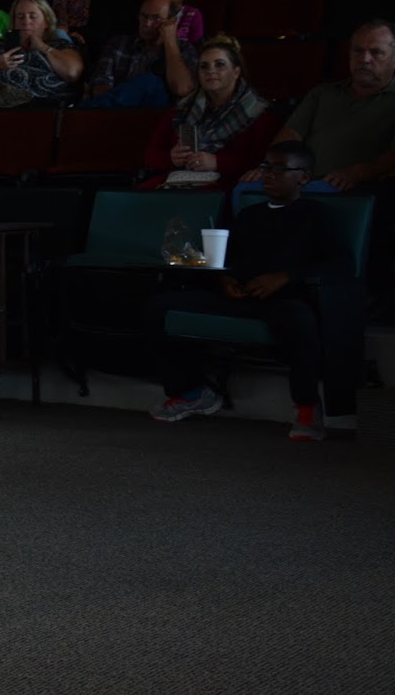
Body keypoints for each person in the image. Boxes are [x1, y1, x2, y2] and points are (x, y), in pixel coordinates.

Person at [144, 141, 351, 441]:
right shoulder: (249, 215)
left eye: (279, 169)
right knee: (159, 306)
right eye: (266, 167)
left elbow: (342, 263)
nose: (268, 175)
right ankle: (190, 392)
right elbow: (229, 260)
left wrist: (285, 277)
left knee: (299, 317)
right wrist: (225, 281)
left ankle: (306, 405)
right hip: (241, 296)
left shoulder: (318, 215)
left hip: (285, 299)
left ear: (303, 177)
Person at [233, 22, 395, 201]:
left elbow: (391, 158)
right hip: (301, 179)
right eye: (358, 51)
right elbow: (291, 136)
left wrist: (356, 173)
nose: (365, 59)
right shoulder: (323, 94)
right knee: (246, 188)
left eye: (376, 52)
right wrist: (271, 168)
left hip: (352, 185)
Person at [141, 36, 281, 189]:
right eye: (204, 66)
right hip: (178, 179)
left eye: (219, 65)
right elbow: (150, 156)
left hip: (227, 183)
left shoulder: (258, 112)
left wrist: (218, 162)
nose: (211, 71)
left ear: (236, 71)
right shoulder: (182, 109)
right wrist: (171, 158)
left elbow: (263, 163)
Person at [80, 0, 197, 109]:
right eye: (144, 16)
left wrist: (170, 42)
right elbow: (100, 85)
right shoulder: (118, 44)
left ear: (171, 21)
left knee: (151, 83)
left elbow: (182, 88)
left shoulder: (184, 49)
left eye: (156, 18)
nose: (147, 24)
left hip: (158, 120)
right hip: (117, 116)